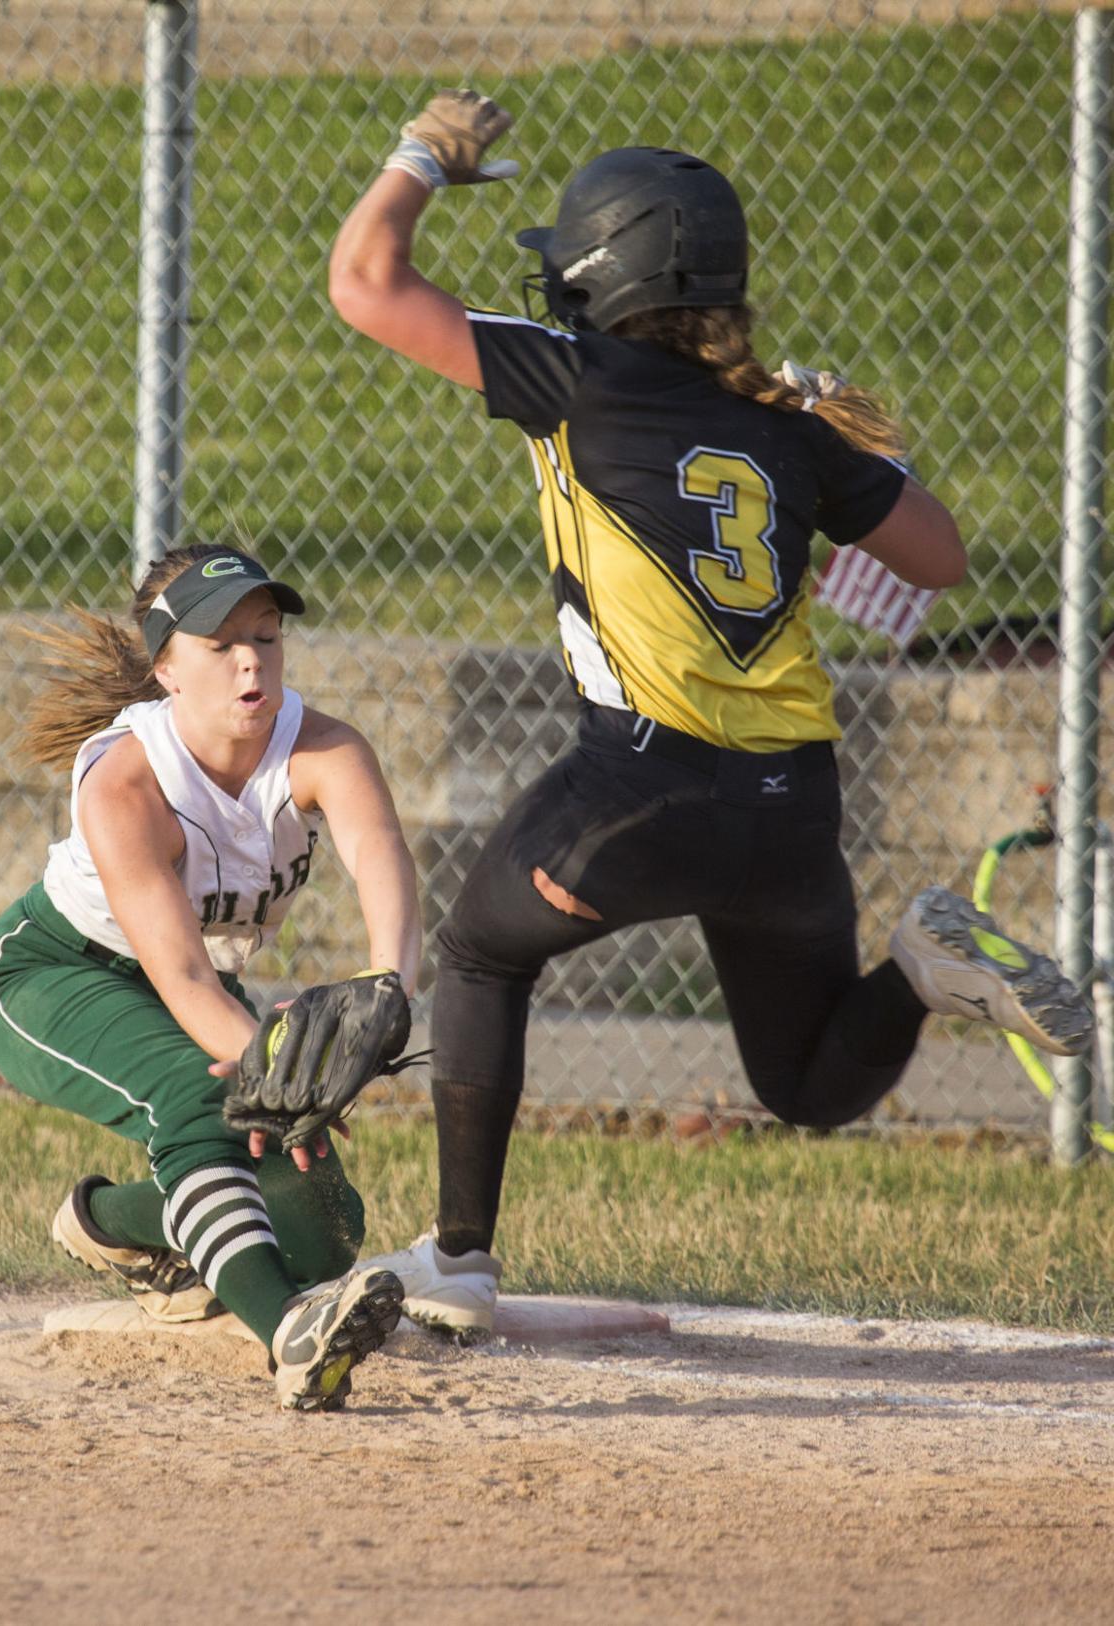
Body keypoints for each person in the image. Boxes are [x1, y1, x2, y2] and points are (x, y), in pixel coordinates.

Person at [327, 92, 1093, 1335]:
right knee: (802, 1083)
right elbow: (940, 559)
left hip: (638, 784)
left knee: (477, 953)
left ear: (597, 278)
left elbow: (365, 282)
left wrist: (424, 155)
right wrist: (858, 445)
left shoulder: (576, 374)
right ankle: (917, 968)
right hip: (794, 809)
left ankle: (460, 1256)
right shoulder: (784, 422)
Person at [0, 544, 418, 1409]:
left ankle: (110, 1224)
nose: (252, 658)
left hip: (200, 985)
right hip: (53, 973)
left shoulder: (322, 748)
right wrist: (276, 1067)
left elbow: (380, 855)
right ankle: (289, 1334)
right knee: (209, 1102)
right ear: (167, 668)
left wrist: (388, 984)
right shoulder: (127, 779)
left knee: (319, 1220)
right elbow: (177, 976)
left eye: (267, 634)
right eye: (221, 644)